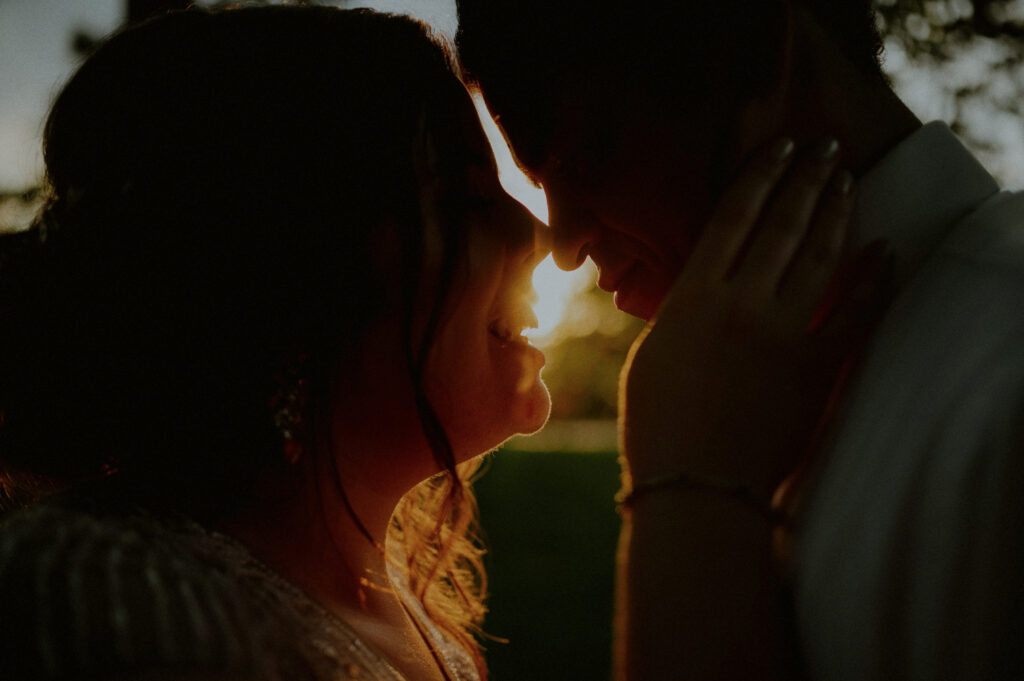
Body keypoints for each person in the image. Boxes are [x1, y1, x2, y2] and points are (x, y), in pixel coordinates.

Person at [0, 5, 874, 681]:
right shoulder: (104, 587)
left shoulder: (403, 608)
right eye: (464, 199)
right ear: (295, 272)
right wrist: (691, 486)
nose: (543, 238)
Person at [456, 1, 1024, 680]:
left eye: (586, 155)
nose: (564, 243)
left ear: (754, 52)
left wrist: (681, 488)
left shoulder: (1002, 400)